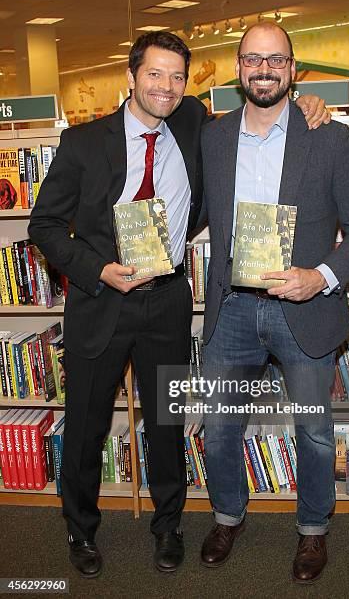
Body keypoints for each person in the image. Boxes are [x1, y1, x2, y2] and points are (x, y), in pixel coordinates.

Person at [28, 30, 329, 578]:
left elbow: (265, 105)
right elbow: (44, 225)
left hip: (166, 302)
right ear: (131, 76)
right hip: (101, 302)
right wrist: (96, 269)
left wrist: (310, 100)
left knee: (167, 423)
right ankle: (81, 530)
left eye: (176, 76)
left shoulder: (192, 123)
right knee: (87, 425)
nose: (165, 87)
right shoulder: (82, 143)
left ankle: (167, 527)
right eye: (154, 74)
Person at [199, 22, 349, 584]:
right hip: (232, 308)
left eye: (276, 59)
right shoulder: (212, 136)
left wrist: (321, 277)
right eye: (254, 58)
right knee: (219, 427)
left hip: (302, 309)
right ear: (236, 68)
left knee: (314, 431)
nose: (264, 69)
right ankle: (228, 516)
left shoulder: (326, 135)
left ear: (294, 68)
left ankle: (311, 531)